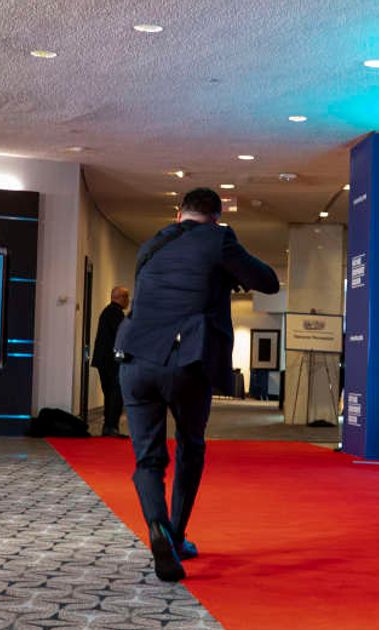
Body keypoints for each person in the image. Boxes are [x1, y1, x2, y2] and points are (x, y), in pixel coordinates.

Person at [116, 187, 279, 582]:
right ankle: (175, 535)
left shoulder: (151, 245)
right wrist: (230, 263)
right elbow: (269, 282)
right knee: (191, 446)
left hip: (135, 359)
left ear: (178, 214)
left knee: (148, 459)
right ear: (216, 218)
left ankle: (156, 526)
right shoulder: (218, 239)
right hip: (185, 360)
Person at [91, 286, 130, 437]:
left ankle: (109, 426)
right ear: (122, 298)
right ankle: (111, 427)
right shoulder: (115, 313)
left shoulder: (108, 312)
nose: (128, 301)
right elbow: (121, 338)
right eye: (127, 297)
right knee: (116, 393)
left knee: (110, 393)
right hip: (111, 361)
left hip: (104, 360)